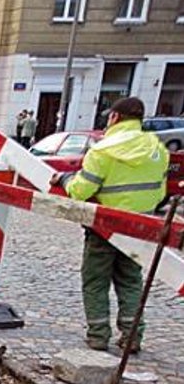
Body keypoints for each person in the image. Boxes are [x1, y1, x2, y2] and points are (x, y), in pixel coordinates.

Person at [51, 97, 168, 353]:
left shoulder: (103, 150)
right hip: (140, 226)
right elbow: (160, 194)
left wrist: (65, 179)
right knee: (130, 280)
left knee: (95, 280)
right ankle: (132, 337)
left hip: (105, 226)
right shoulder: (157, 148)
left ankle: (98, 336)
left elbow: (80, 191)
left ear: (115, 117)